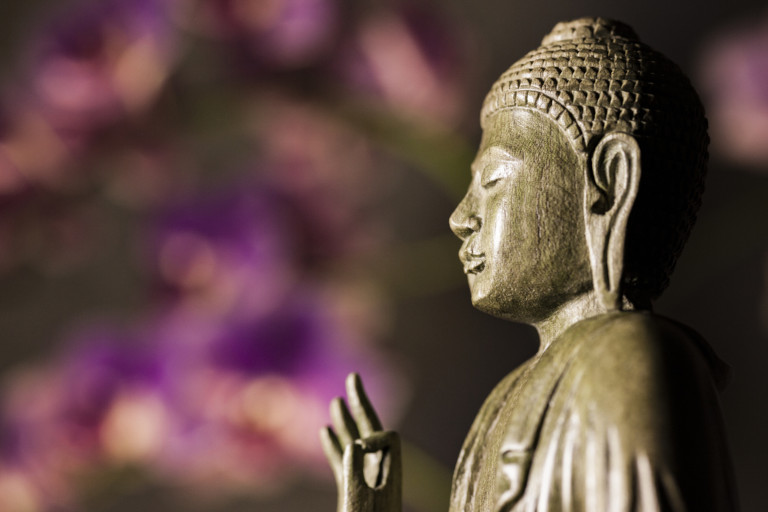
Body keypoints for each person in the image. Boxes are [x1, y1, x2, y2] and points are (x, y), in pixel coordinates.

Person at [321, 18, 737, 512]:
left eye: (494, 181)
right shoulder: (499, 405)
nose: (461, 217)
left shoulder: (630, 358)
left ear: (609, 183)